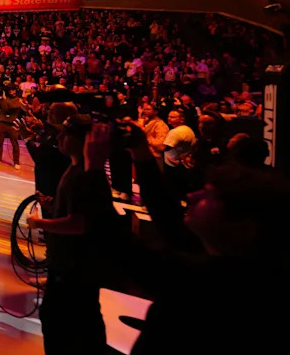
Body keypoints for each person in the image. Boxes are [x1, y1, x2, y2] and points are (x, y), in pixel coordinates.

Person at [85, 121, 289, 354]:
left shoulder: (209, 284)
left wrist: (93, 170)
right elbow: (168, 219)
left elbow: (117, 243)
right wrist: (141, 155)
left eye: (210, 196)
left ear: (242, 225)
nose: (192, 195)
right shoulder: (245, 267)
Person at [28, 111, 117, 355]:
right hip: (65, 268)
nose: (59, 137)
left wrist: (40, 223)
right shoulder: (75, 169)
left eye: (65, 133)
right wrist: (52, 204)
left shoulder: (82, 177)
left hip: (72, 271)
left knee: (67, 330)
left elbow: (79, 223)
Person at [0, 85, 26, 169]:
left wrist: (4, 100)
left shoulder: (17, 100)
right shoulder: (3, 98)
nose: (13, 92)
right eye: (11, 90)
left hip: (12, 124)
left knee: (15, 144)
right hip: (2, 123)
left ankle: (16, 162)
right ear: (8, 91)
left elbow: (11, 107)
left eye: (14, 90)